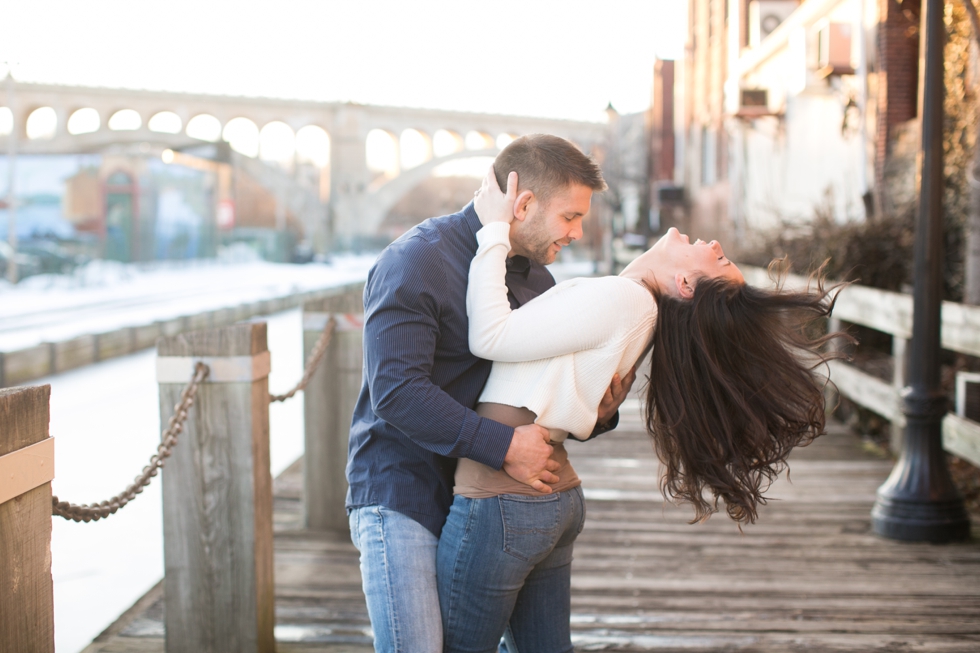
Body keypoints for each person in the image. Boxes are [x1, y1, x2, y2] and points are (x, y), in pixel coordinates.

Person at [436, 168, 844, 653]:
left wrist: (493, 232)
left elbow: (489, 336)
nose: (714, 244)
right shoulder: (635, 309)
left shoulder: (624, 300)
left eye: (720, 259)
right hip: (543, 499)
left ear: (687, 284)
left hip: (505, 500)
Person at [346, 134, 634, 653]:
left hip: (485, 498)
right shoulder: (416, 263)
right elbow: (396, 391)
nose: (578, 232)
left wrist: (599, 410)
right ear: (524, 205)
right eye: (570, 217)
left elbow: (540, 388)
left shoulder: (535, 279)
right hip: (404, 493)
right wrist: (503, 446)